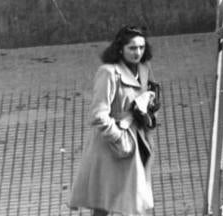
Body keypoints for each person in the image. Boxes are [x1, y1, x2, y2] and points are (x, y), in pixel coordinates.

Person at [68, 26, 159, 216]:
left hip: (136, 140)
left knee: (133, 199)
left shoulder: (144, 68)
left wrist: (148, 107)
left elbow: (145, 97)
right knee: (105, 202)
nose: (138, 53)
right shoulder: (109, 72)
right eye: (132, 48)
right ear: (120, 49)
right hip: (112, 147)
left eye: (141, 48)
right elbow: (98, 114)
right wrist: (118, 137)